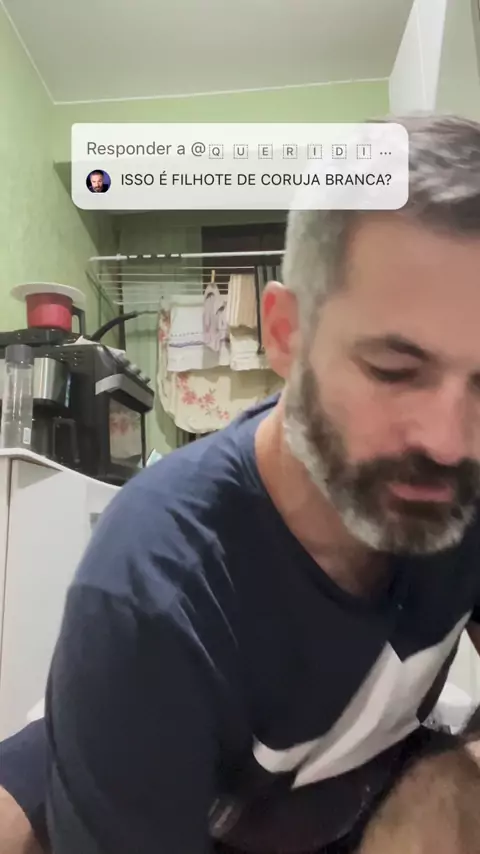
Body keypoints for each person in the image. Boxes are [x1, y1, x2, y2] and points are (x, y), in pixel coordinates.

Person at [3, 112, 480, 853]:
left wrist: (445, 777)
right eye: (393, 370)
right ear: (285, 335)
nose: (448, 441)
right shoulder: (153, 590)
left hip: (340, 779)